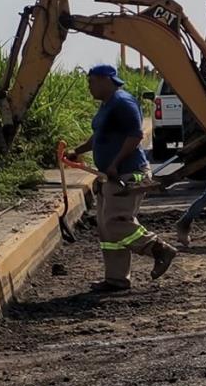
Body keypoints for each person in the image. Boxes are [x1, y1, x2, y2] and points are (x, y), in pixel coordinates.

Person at [67, 64, 177, 292]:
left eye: (91, 82)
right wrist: (78, 151)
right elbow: (98, 136)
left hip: (126, 174)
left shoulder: (123, 103)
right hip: (110, 175)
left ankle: (158, 248)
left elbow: (135, 135)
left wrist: (115, 163)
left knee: (116, 223)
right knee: (107, 231)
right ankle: (116, 279)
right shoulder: (108, 105)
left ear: (106, 80)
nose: (89, 87)